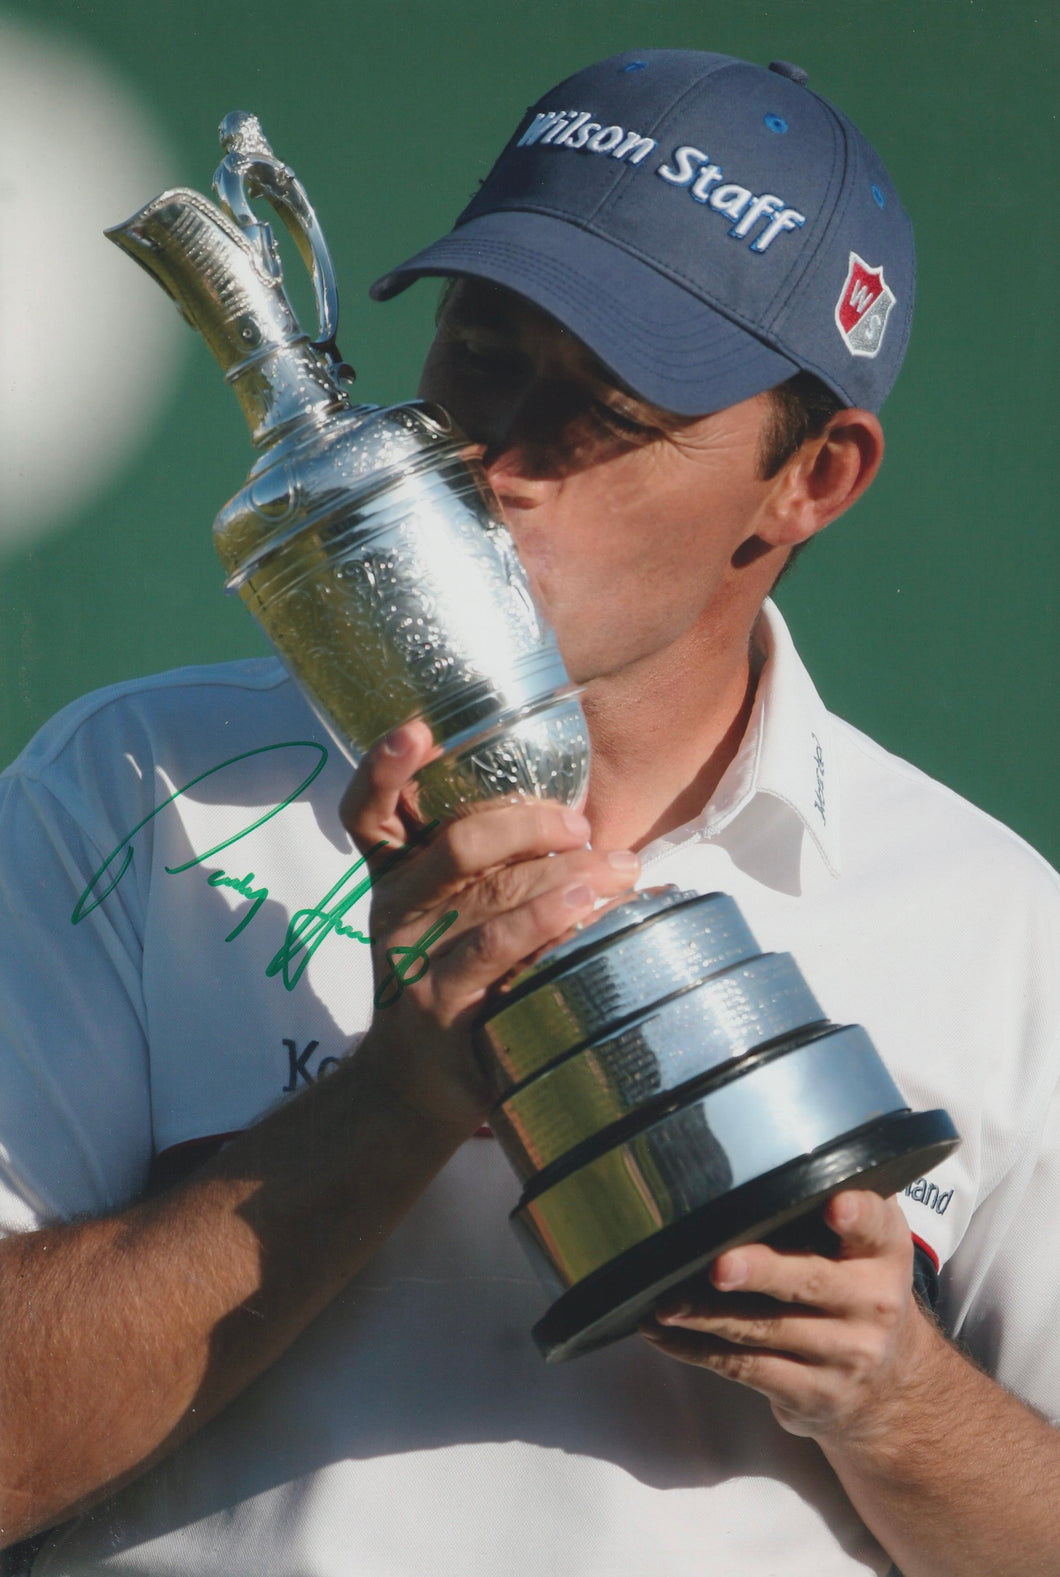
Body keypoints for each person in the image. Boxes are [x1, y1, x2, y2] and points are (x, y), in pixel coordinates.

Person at [1, 48, 1058, 1577]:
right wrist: (390, 1103)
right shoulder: (134, 787)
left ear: (811, 479)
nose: (493, 461)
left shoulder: (996, 926)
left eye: (603, 415)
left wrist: (895, 1395)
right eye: (479, 355)